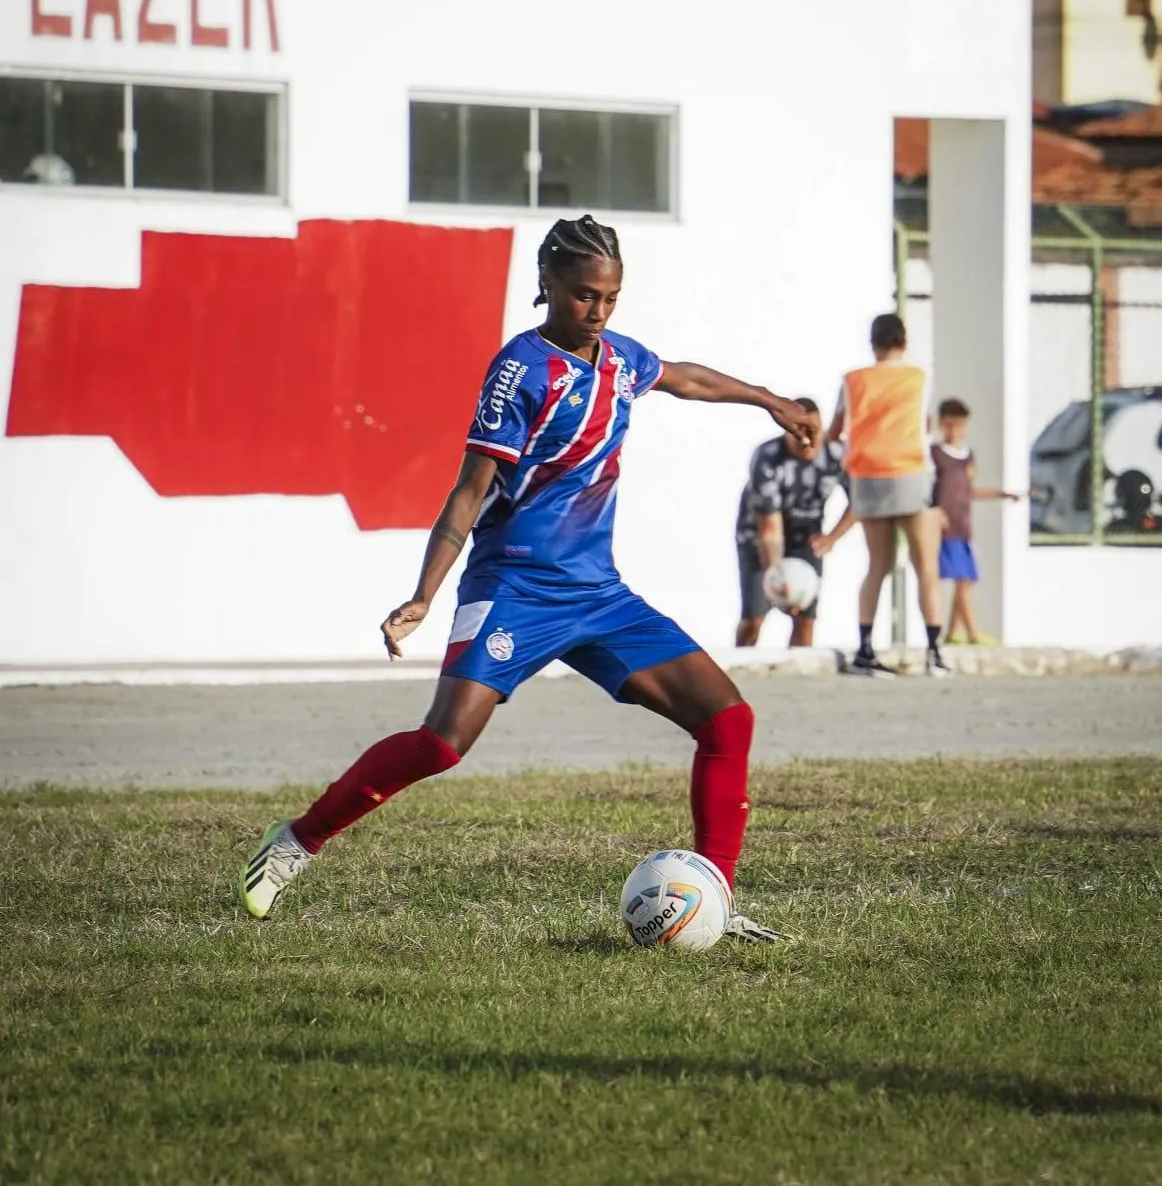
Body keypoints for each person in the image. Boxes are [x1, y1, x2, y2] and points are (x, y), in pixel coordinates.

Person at [241, 214, 818, 940]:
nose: (598, 311)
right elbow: (469, 490)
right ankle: (296, 841)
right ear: (547, 283)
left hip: (597, 594)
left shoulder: (620, 359)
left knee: (727, 719)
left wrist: (770, 399)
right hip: (513, 588)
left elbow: (682, 377)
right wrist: (424, 594)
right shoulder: (521, 370)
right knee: (444, 741)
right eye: (584, 295)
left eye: (610, 298)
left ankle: (715, 898)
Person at [826, 312, 948, 678]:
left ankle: (865, 650)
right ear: (904, 341)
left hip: (867, 475)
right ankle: (934, 653)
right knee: (925, 566)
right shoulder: (920, 377)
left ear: (872, 343)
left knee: (877, 565)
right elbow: (927, 423)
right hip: (911, 471)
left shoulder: (853, 380)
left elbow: (836, 430)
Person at [734, 400, 854, 648]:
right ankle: (738, 664)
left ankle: (800, 670)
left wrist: (832, 538)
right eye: (800, 432)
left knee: (805, 618)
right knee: (754, 619)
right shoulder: (767, 456)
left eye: (814, 431)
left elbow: (863, 500)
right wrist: (779, 579)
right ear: (787, 430)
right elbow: (770, 530)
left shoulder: (838, 454)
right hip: (758, 538)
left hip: (806, 538)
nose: (807, 440)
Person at [932, 398, 1022, 644]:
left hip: (963, 527)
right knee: (963, 578)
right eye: (949, 425)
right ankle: (973, 632)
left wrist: (1002, 494)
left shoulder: (968, 457)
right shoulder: (935, 455)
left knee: (967, 579)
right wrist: (935, 511)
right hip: (945, 529)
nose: (954, 431)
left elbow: (967, 491)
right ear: (941, 424)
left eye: (959, 425)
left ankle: (953, 632)